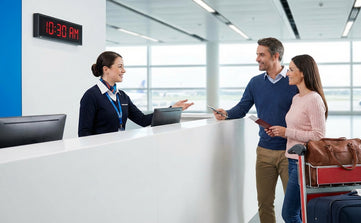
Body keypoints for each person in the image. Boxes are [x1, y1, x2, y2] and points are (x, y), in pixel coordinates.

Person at [212, 38, 298, 223]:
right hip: (264, 151)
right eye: (257, 54)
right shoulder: (255, 83)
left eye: (261, 54)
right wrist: (226, 113)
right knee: (265, 204)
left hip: (290, 152)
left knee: (293, 208)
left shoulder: (294, 82)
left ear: (276, 56)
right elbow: (242, 108)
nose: (257, 58)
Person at [266, 54, 328, 223]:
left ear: (303, 73)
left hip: (304, 164)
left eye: (291, 70)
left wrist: (287, 132)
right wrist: (280, 132)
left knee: (289, 214)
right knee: (297, 213)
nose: (287, 73)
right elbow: (296, 129)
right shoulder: (296, 98)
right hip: (293, 161)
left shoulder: (314, 99)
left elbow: (318, 136)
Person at [78, 51, 193, 137]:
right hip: (99, 153)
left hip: (118, 148)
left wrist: (172, 108)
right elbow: (84, 133)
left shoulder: (122, 96)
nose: (124, 70)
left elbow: (143, 120)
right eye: (120, 67)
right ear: (106, 69)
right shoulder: (91, 96)